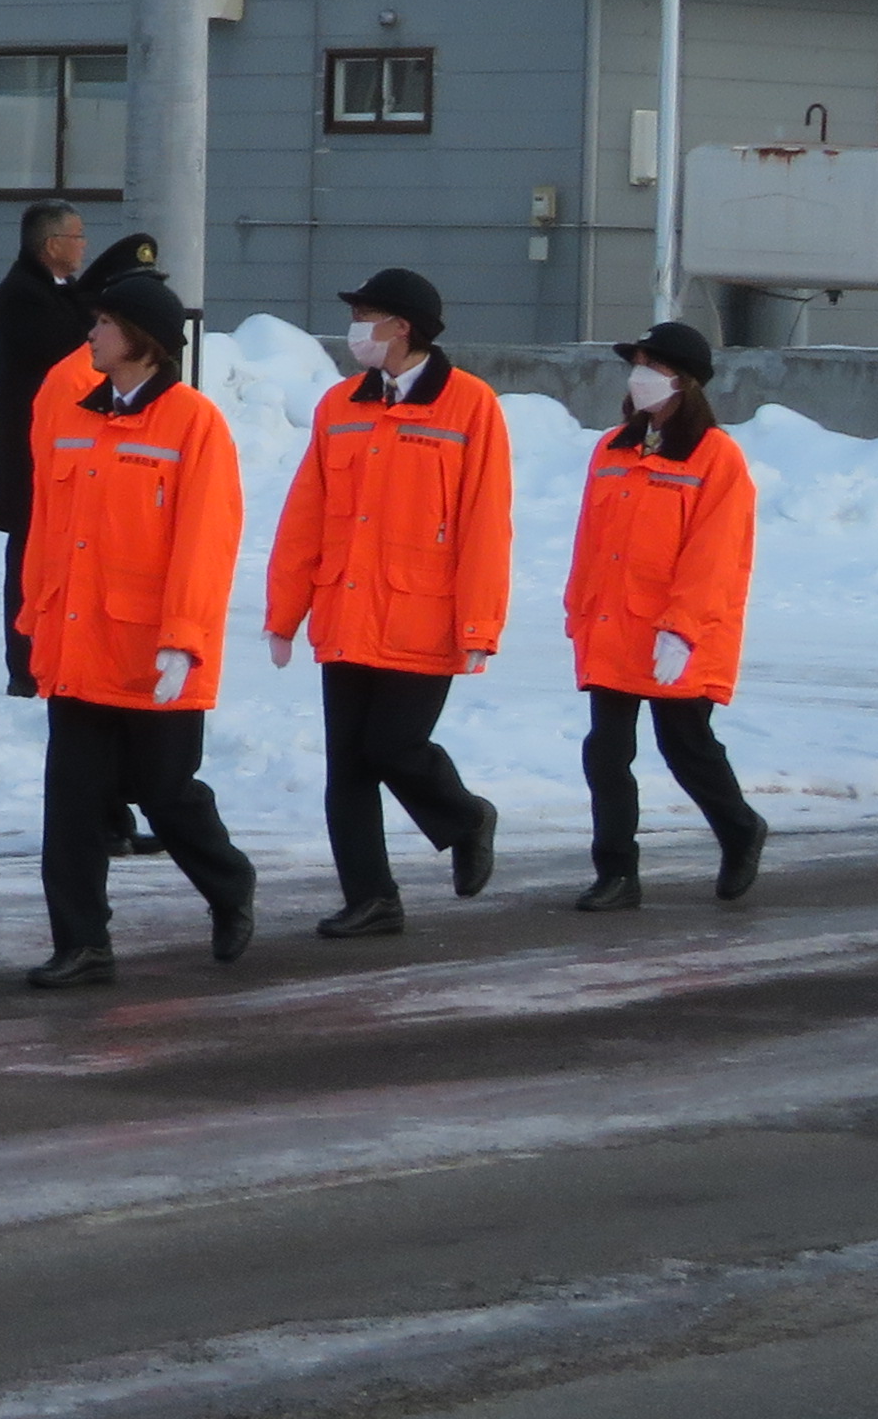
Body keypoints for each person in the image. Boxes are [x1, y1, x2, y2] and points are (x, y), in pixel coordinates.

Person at [17, 267, 256, 983]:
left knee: (167, 793)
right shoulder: (73, 414)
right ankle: (82, 943)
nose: (90, 334)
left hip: (153, 652)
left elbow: (206, 540)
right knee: (72, 804)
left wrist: (184, 637)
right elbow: (47, 529)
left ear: (142, 341)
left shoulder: (193, 422)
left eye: (104, 324)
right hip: (80, 646)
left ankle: (228, 884)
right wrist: (36, 614)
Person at [264, 266, 513, 935]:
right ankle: (370, 896)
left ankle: (465, 816)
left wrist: (480, 621)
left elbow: (486, 522)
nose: (356, 331)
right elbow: (306, 515)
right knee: (349, 765)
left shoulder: (469, 405)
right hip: (345, 608)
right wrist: (285, 611)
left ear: (402, 328)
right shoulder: (340, 405)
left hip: (422, 616)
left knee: (393, 747)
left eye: (366, 316)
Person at [564, 318, 769, 908]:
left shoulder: (716, 457)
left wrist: (681, 628)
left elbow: (715, 555)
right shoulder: (612, 448)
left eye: (653, 366)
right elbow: (591, 541)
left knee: (686, 746)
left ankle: (738, 827)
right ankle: (617, 871)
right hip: (613, 622)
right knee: (606, 749)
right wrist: (579, 607)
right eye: (638, 365)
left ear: (684, 382)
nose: (640, 376)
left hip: (682, 629)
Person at [0, 199, 93, 696]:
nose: (83, 246)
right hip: (29, 450)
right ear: (51, 245)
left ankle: (51, 652)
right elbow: (66, 349)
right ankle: (24, 664)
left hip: (58, 448)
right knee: (27, 556)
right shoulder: (22, 294)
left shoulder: (60, 289)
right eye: (77, 236)